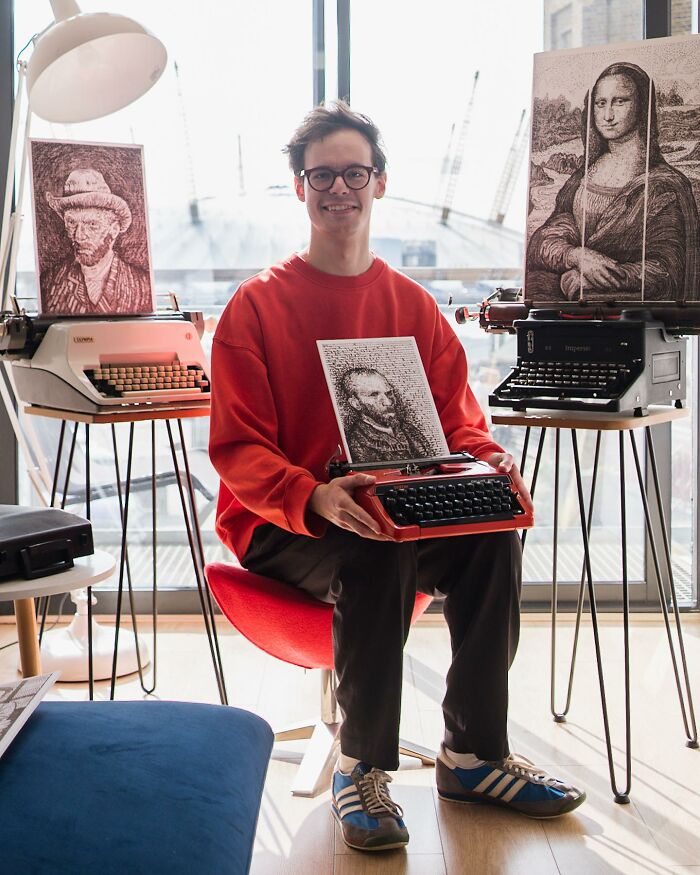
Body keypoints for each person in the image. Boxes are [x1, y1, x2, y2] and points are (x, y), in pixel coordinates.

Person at [209, 101, 585, 853]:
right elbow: (238, 450)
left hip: (399, 505)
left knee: (491, 538)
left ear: (380, 183)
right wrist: (312, 494)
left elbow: (461, 420)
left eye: (355, 172)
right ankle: (363, 765)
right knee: (374, 540)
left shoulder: (413, 305)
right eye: (323, 174)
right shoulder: (254, 307)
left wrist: (487, 461)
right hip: (287, 522)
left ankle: (473, 754)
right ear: (300, 187)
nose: (338, 187)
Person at [527, 62, 700, 301]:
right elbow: (545, 238)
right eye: (601, 103)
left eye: (620, 102)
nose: (608, 115)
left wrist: (596, 279)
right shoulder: (581, 178)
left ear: (641, 107)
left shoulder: (665, 185)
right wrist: (576, 256)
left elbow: (666, 270)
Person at [41, 168, 153, 315]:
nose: (79, 236)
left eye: (92, 224)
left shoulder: (142, 286)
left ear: (113, 230)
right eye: (72, 223)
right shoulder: (49, 283)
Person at [340, 367, 432, 462]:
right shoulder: (358, 442)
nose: (388, 402)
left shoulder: (410, 430)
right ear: (356, 403)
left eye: (389, 393)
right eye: (374, 395)